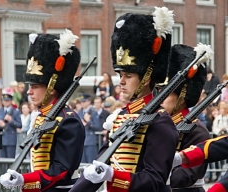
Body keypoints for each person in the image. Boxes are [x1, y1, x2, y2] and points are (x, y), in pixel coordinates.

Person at [69, 6, 178, 192]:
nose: (121, 81)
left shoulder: (160, 121)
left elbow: (154, 181)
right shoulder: (120, 116)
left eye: (128, 75)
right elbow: (99, 166)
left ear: (146, 77)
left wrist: (113, 176)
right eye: (120, 74)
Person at [0, 29, 85, 192]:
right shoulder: (43, 116)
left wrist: (25, 180)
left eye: (35, 86)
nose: (29, 92)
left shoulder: (68, 121)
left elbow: (61, 171)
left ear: (52, 87)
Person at [159, 44, 212, 192]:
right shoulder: (158, 125)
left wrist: (151, 173)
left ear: (181, 98)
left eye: (165, 95)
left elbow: (186, 175)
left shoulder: (197, 131)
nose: (159, 100)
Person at [0, 87, 22, 158]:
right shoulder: (0, 110)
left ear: (11, 101)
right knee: (2, 160)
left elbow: (19, 125)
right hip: (1, 139)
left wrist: (11, 121)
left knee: (10, 160)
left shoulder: (15, 111)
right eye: (4, 100)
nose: (6, 102)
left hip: (11, 139)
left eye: (8, 100)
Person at [78, 93, 101, 163]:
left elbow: (98, 127)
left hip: (90, 141)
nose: (82, 103)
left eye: (84, 101)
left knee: (90, 163)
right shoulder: (80, 112)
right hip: (81, 141)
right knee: (82, 164)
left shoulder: (93, 112)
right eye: (81, 102)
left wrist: (88, 122)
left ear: (88, 101)